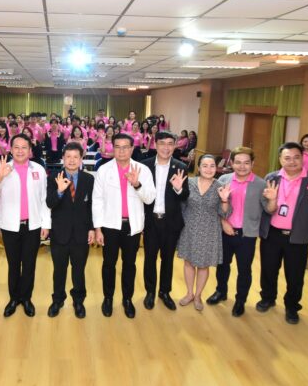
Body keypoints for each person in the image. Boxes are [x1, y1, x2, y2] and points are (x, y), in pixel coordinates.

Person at [257, 141, 308, 325]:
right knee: (268, 269)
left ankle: (292, 307)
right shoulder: (271, 178)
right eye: (287, 158)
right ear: (280, 159)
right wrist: (271, 200)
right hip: (272, 234)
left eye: (296, 157)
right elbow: (265, 208)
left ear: (302, 159)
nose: (292, 162)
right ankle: (268, 298)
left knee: (295, 275)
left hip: (297, 236)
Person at [92, 133, 156, 319]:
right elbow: (97, 200)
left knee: (129, 264)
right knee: (108, 264)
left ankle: (127, 299)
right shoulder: (104, 170)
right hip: (110, 226)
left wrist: (137, 184)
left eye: (125, 147)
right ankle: (108, 298)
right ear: (112, 148)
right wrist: (98, 228)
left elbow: (150, 198)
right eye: (118, 147)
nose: (121, 151)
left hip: (132, 226)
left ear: (132, 148)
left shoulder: (143, 170)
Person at [209, 147, 277, 317]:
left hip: (247, 235)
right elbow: (216, 206)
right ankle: (221, 291)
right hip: (225, 231)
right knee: (222, 265)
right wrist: (223, 222)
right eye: (238, 162)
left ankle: (240, 300)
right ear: (231, 163)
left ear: (252, 163)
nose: (242, 166)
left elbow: (269, 210)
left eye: (246, 163)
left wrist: (273, 199)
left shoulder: (260, 184)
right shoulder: (223, 180)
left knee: (244, 270)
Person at [0, 135, 51, 317]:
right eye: (16, 147)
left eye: (24, 147)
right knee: (14, 264)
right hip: (10, 226)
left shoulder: (39, 170)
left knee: (29, 264)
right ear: (10, 149)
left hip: (32, 225)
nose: (20, 151)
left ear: (30, 150)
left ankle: (26, 298)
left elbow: (44, 199)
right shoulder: (2, 169)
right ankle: (13, 298)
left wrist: (46, 224)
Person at [45, 142, 95, 319]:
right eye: (68, 157)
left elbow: (92, 206)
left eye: (76, 157)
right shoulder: (53, 177)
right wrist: (59, 191)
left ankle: (78, 301)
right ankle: (57, 300)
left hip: (81, 233)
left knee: (78, 270)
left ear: (81, 159)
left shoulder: (89, 179)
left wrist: (92, 228)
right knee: (59, 270)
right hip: (60, 233)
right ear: (63, 158)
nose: (72, 160)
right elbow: (49, 203)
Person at [141, 132, 189, 311]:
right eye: (162, 143)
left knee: (167, 259)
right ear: (155, 144)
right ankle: (150, 292)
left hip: (171, 222)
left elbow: (185, 196)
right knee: (150, 258)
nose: (166, 147)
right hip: (151, 221)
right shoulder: (145, 166)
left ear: (175, 146)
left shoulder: (180, 167)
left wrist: (178, 189)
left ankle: (164, 292)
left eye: (170, 143)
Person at [176, 154, 231, 311]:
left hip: (210, 230)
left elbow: (225, 213)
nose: (208, 169)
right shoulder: (189, 182)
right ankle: (189, 293)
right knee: (188, 262)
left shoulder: (221, 186)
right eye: (205, 166)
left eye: (212, 166)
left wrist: (225, 200)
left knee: (203, 265)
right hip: (189, 228)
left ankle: (198, 295)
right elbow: (181, 206)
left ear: (216, 168)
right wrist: (178, 190)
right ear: (198, 168)